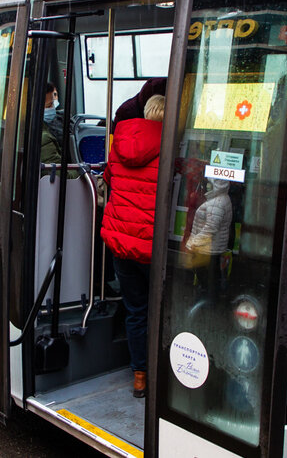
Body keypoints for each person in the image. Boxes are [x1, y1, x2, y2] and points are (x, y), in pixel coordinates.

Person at [100, 94, 165, 398]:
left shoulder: (120, 141)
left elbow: (109, 178)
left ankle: (140, 376)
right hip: (152, 247)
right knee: (163, 310)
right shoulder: (170, 147)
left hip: (121, 243)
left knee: (136, 310)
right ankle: (166, 376)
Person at [185, 178, 233, 300]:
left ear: (217, 185)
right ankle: (210, 299)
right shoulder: (222, 198)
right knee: (212, 277)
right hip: (212, 246)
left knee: (205, 275)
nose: (207, 186)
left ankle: (207, 301)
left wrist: (193, 242)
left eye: (210, 183)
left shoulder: (217, 203)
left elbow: (210, 228)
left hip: (208, 248)